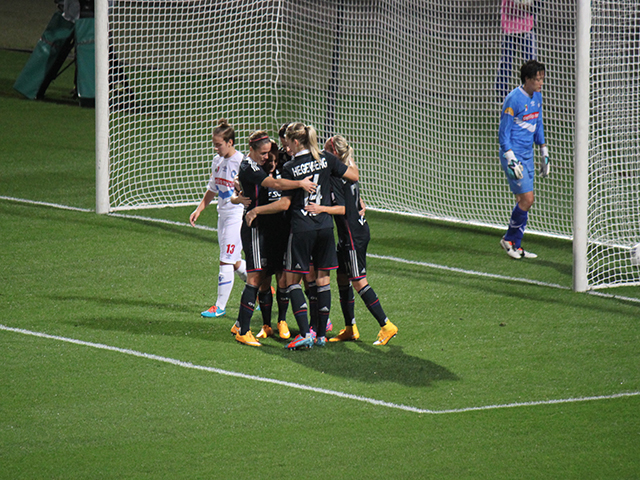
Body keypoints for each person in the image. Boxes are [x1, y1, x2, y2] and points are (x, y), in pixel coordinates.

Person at [245, 122, 358, 349]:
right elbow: (353, 176)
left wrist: (256, 210)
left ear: (296, 141)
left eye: (288, 142)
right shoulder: (325, 158)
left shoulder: (290, 167)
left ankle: (305, 333)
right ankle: (320, 335)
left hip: (302, 229)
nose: (286, 147)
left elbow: (285, 204)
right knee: (323, 280)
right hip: (325, 227)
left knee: (291, 280)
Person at [232, 131, 316, 347]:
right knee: (254, 278)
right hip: (254, 227)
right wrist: (299, 184)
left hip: (263, 228)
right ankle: (243, 330)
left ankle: (241, 325)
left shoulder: (254, 165)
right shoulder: (249, 167)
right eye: (262, 153)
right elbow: (275, 185)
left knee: (260, 277)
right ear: (251, 149)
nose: (265, 157)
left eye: (268, 153)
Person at [314, 135, 398, 345]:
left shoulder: (337, 175)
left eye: (326, 152)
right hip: (351, 232)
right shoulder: (349, 166)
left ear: (334, 153)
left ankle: (386, 325)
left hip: (353, 234)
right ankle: (350, 328)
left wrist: (322, 208)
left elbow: (344, 208)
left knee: (359, 281)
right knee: (342, 278)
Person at [190, 120, 247, 318]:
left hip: (237, 216)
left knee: (225, 260)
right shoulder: (217, 161)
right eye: (214, 144)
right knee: (235, 261)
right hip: (222, 215)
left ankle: (219, 306)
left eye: (218, 144)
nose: (216, 148)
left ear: (230, 142)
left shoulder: (242, 162)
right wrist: (199, 209)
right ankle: (260, 287)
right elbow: (212, 189)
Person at [499, 60, 549, 259]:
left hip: (528, 155)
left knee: (522, 201)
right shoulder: (513, 99)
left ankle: (516, 246)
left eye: (542, 79)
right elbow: (503, 133)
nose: (541, 83)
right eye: (537, 79)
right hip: (514, 155)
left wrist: (544, 151)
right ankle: (508, 239)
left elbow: (538, 124)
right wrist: (511, 158)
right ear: (527, 79)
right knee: (528, 199)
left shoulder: (537, 96)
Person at [495, 0, 539, 103]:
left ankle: (531, 92)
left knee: (531, 63)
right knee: (506, 62)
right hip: (509, 26)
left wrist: (531, 6)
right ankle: (502, 93)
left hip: (527, 26)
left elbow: (536, 6)